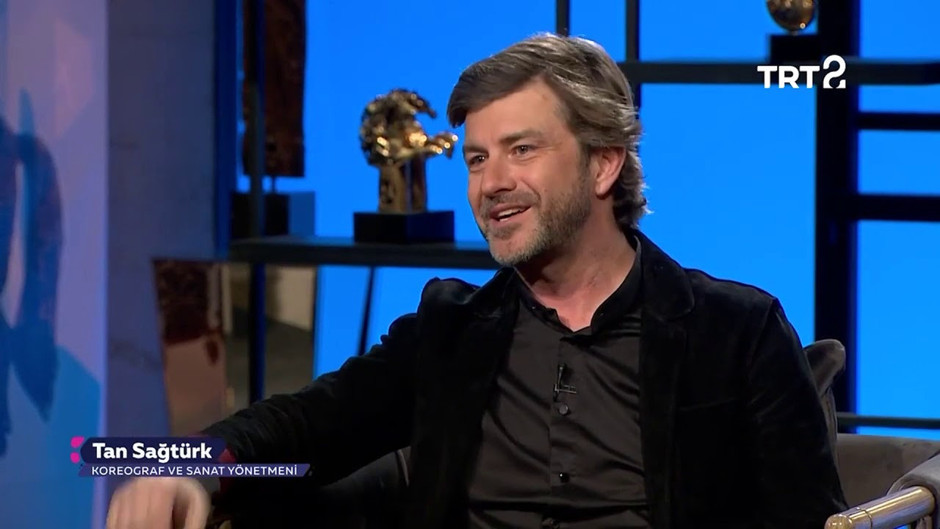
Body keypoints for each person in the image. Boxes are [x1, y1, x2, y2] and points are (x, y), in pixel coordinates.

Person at [106, 33, 846, 529]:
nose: (491, 183)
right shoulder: (452, 331)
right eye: (477, 159)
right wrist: (186, 469)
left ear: (603, 164)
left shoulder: (736, 330)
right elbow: (305, 423)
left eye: (521, 150)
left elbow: (811, 518)